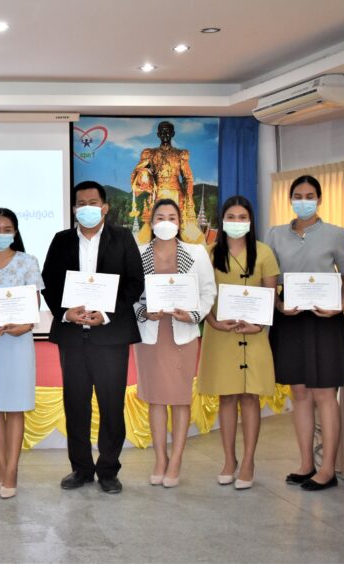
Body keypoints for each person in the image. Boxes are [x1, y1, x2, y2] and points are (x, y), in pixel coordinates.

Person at [42, 180, 145, 494]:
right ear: (74, 208)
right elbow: (49, 282)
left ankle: (109, 470)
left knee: (112, 406)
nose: (86, 208)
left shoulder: (122, 238)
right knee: (76, 405)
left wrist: (107, 314)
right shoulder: (61, 240)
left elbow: (134, 282)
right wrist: (65, 312)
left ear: (105, 207)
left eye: (92, 202)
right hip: (73, 337)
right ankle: (81, 469)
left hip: (110, 336)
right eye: (81, 203)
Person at [267, 175, 344, 492]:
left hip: (325, 322)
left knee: (324, 395)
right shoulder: (275, 234)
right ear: (290, 199)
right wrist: (278, 305)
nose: (303, 201)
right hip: (291, 320)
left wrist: (340, 305)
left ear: (319, 199)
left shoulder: (336, 234)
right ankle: (306, 463)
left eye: (309, 196)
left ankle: (328, 469)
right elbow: (270, 279)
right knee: (300, 393)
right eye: (297, 195)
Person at [197, 196, 280, 490]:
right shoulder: (209, 253)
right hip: (220, 334)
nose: (236, 222)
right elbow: (202, 295)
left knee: (249, 397)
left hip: (254, 337)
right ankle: (229, 460)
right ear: (222, 221)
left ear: (250, 220)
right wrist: (213, 321)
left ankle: (248, 462)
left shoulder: (264, 253)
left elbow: (270, 296)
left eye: (242, 217)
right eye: (230, 217)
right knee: (227, 397)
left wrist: (259, 325)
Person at [132, 199, 216, 488]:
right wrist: (143, 311)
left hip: (182, 333)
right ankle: (160, 459)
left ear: (180, 222)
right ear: (151, 222)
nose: (166, 222)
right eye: (160, 217)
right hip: (150, 335)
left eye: (171, 217)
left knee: (180, 399)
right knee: (155, 398)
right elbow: (129, 294)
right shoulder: (138, 253)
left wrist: (193, 314)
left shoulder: (196, 253)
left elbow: (208, 291)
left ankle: (176, 459)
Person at [0, 208, 43, 499]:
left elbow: (35, 300)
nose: (1, 234)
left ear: (15, 232)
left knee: (15, 407)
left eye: (7, 229)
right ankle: (1, 468)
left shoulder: (28, 261)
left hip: (18, 342)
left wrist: (25, 325)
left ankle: (12, 470)